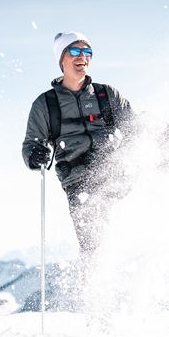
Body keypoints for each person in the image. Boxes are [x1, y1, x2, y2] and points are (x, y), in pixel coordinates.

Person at [22, 32, 135, 275]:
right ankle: (97, 298)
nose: (82, 56)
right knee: (94, 245)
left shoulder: (107, 95)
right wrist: (35, 155)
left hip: (114, 169)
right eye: (75, 51)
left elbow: (134, 128)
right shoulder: (46, 104)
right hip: (79, 181)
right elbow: (31, 144)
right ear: (62, 59)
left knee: (146, 130)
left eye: (87, 52)